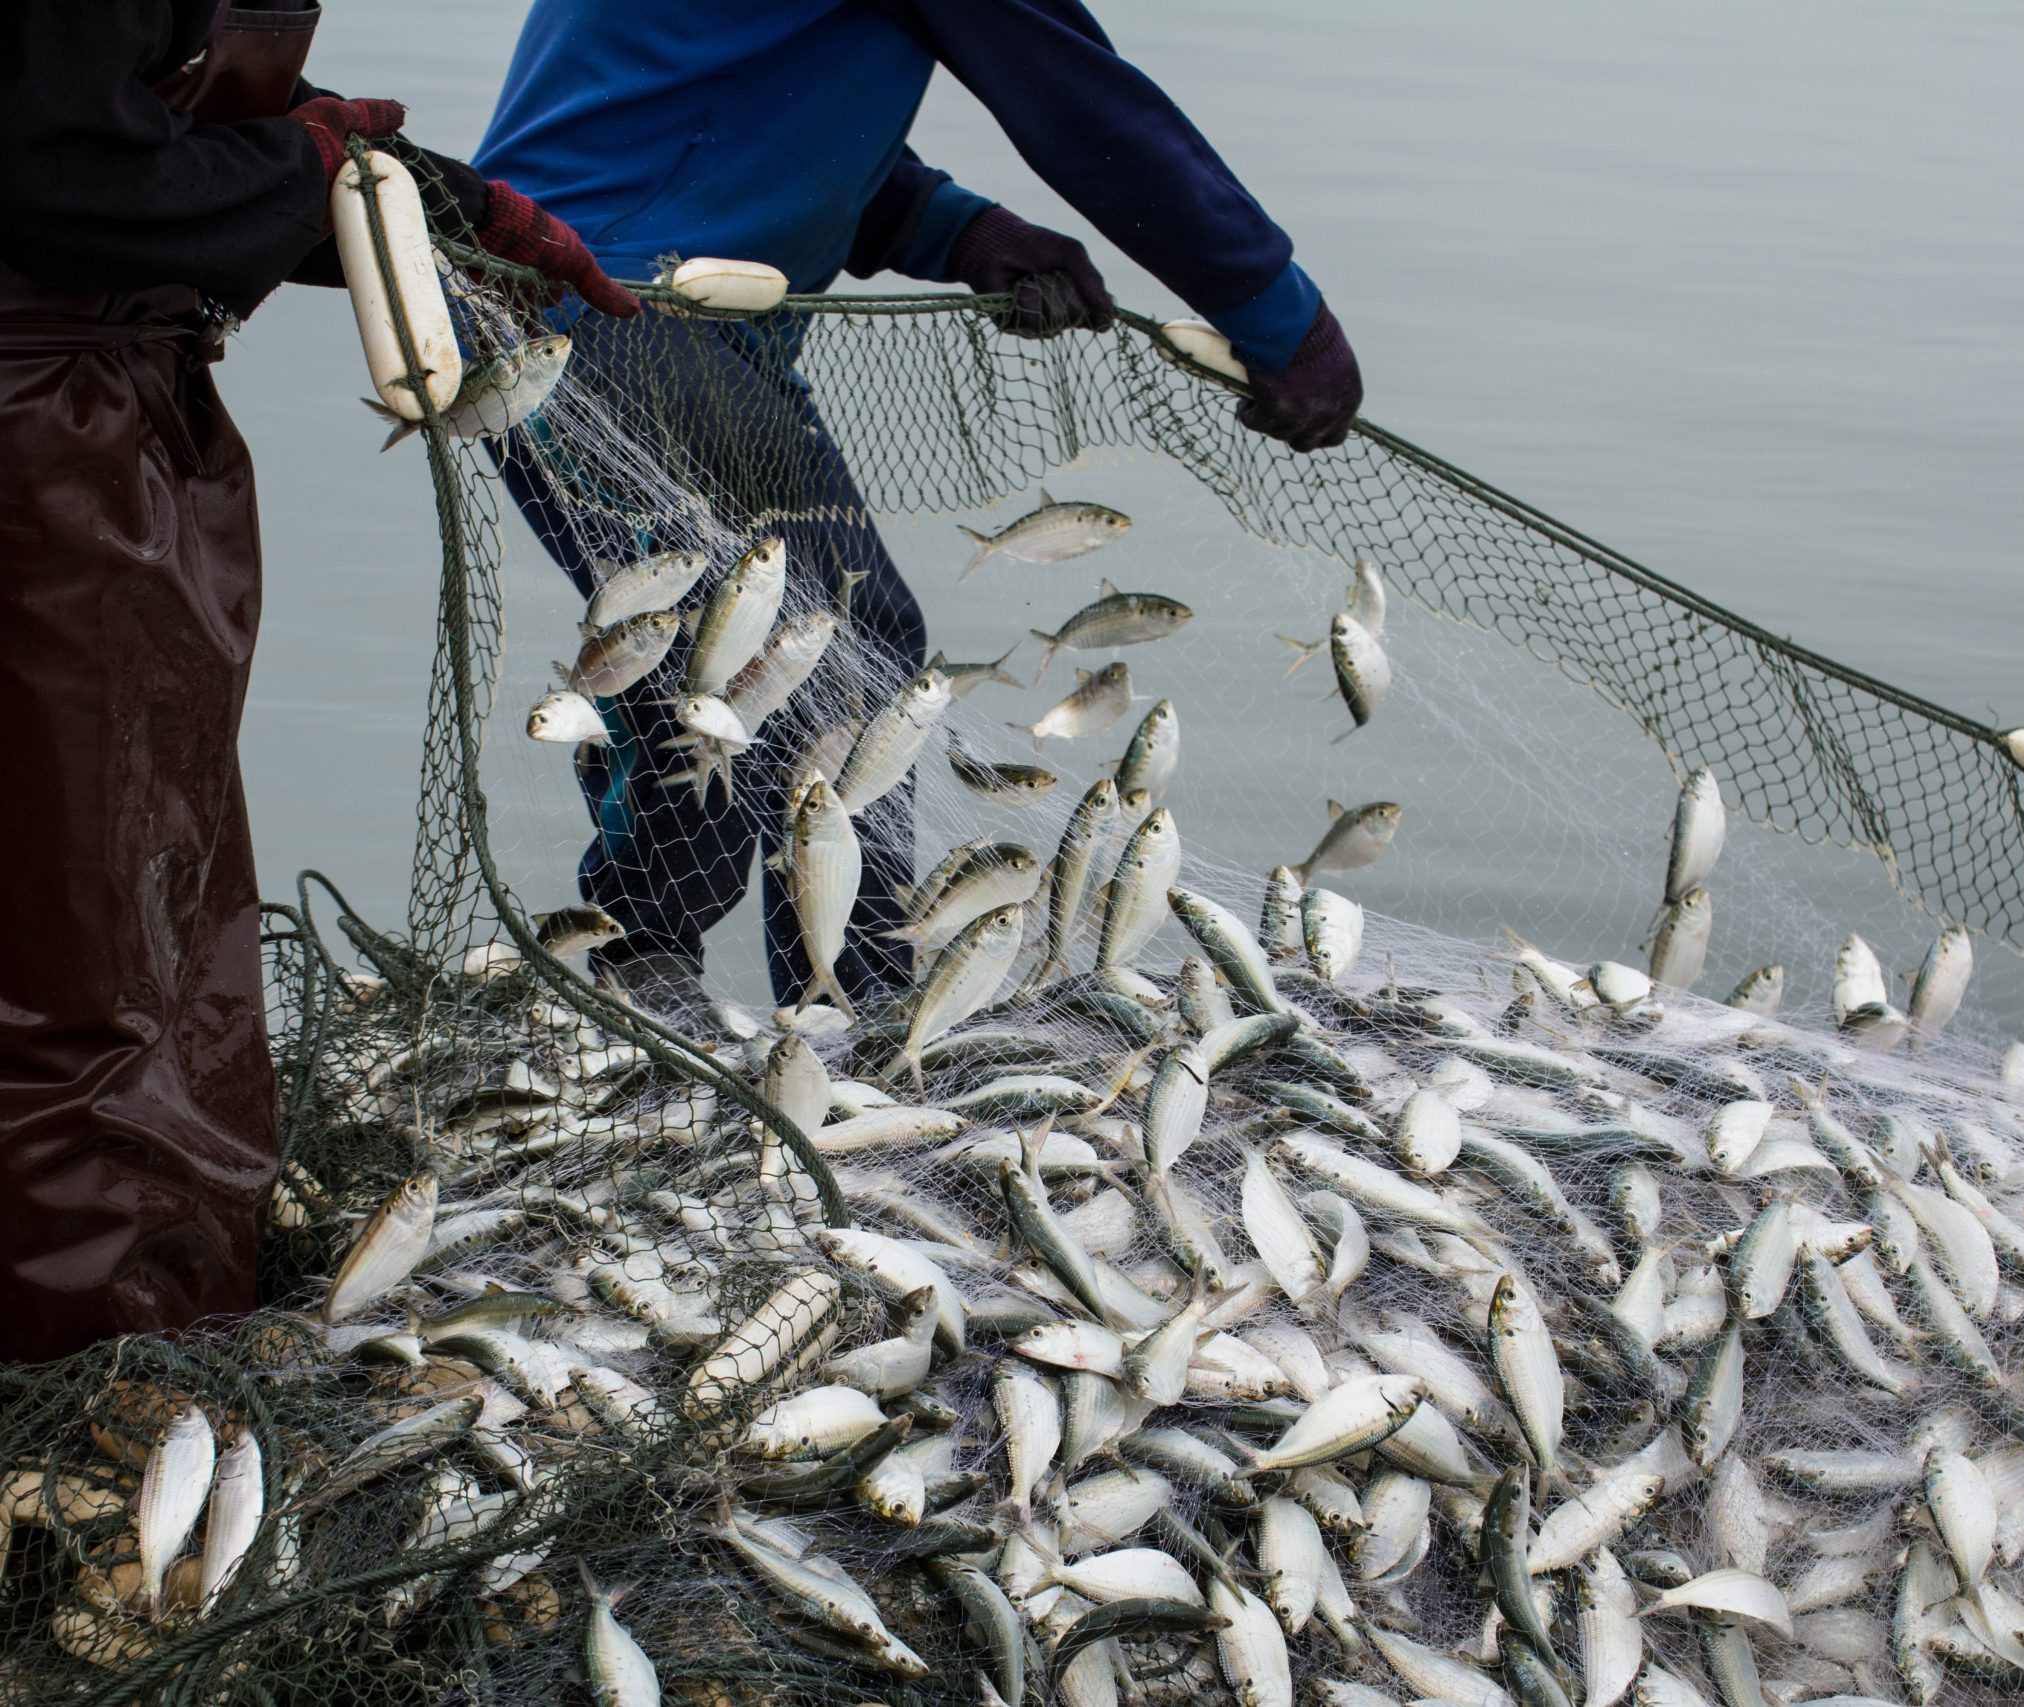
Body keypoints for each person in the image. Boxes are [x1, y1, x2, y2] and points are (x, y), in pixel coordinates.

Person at [476, 0, 1365, 1022]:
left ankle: (834, 1001)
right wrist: (1280, 315)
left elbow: (738, 93)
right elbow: (1086, 113)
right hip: (610, 312)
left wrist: (957, 228)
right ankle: (667, 979)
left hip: (630, 300)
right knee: (746, 653)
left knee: (838, 646)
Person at [0, 0, 633, 1362]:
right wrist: (310, 173)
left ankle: (154, 1321)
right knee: (82, 960)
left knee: (144, 912)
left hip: (97, 414)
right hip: (35, 453)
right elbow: (53, 177)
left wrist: (440, 204)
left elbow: (132, 115)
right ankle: (102, 1381)